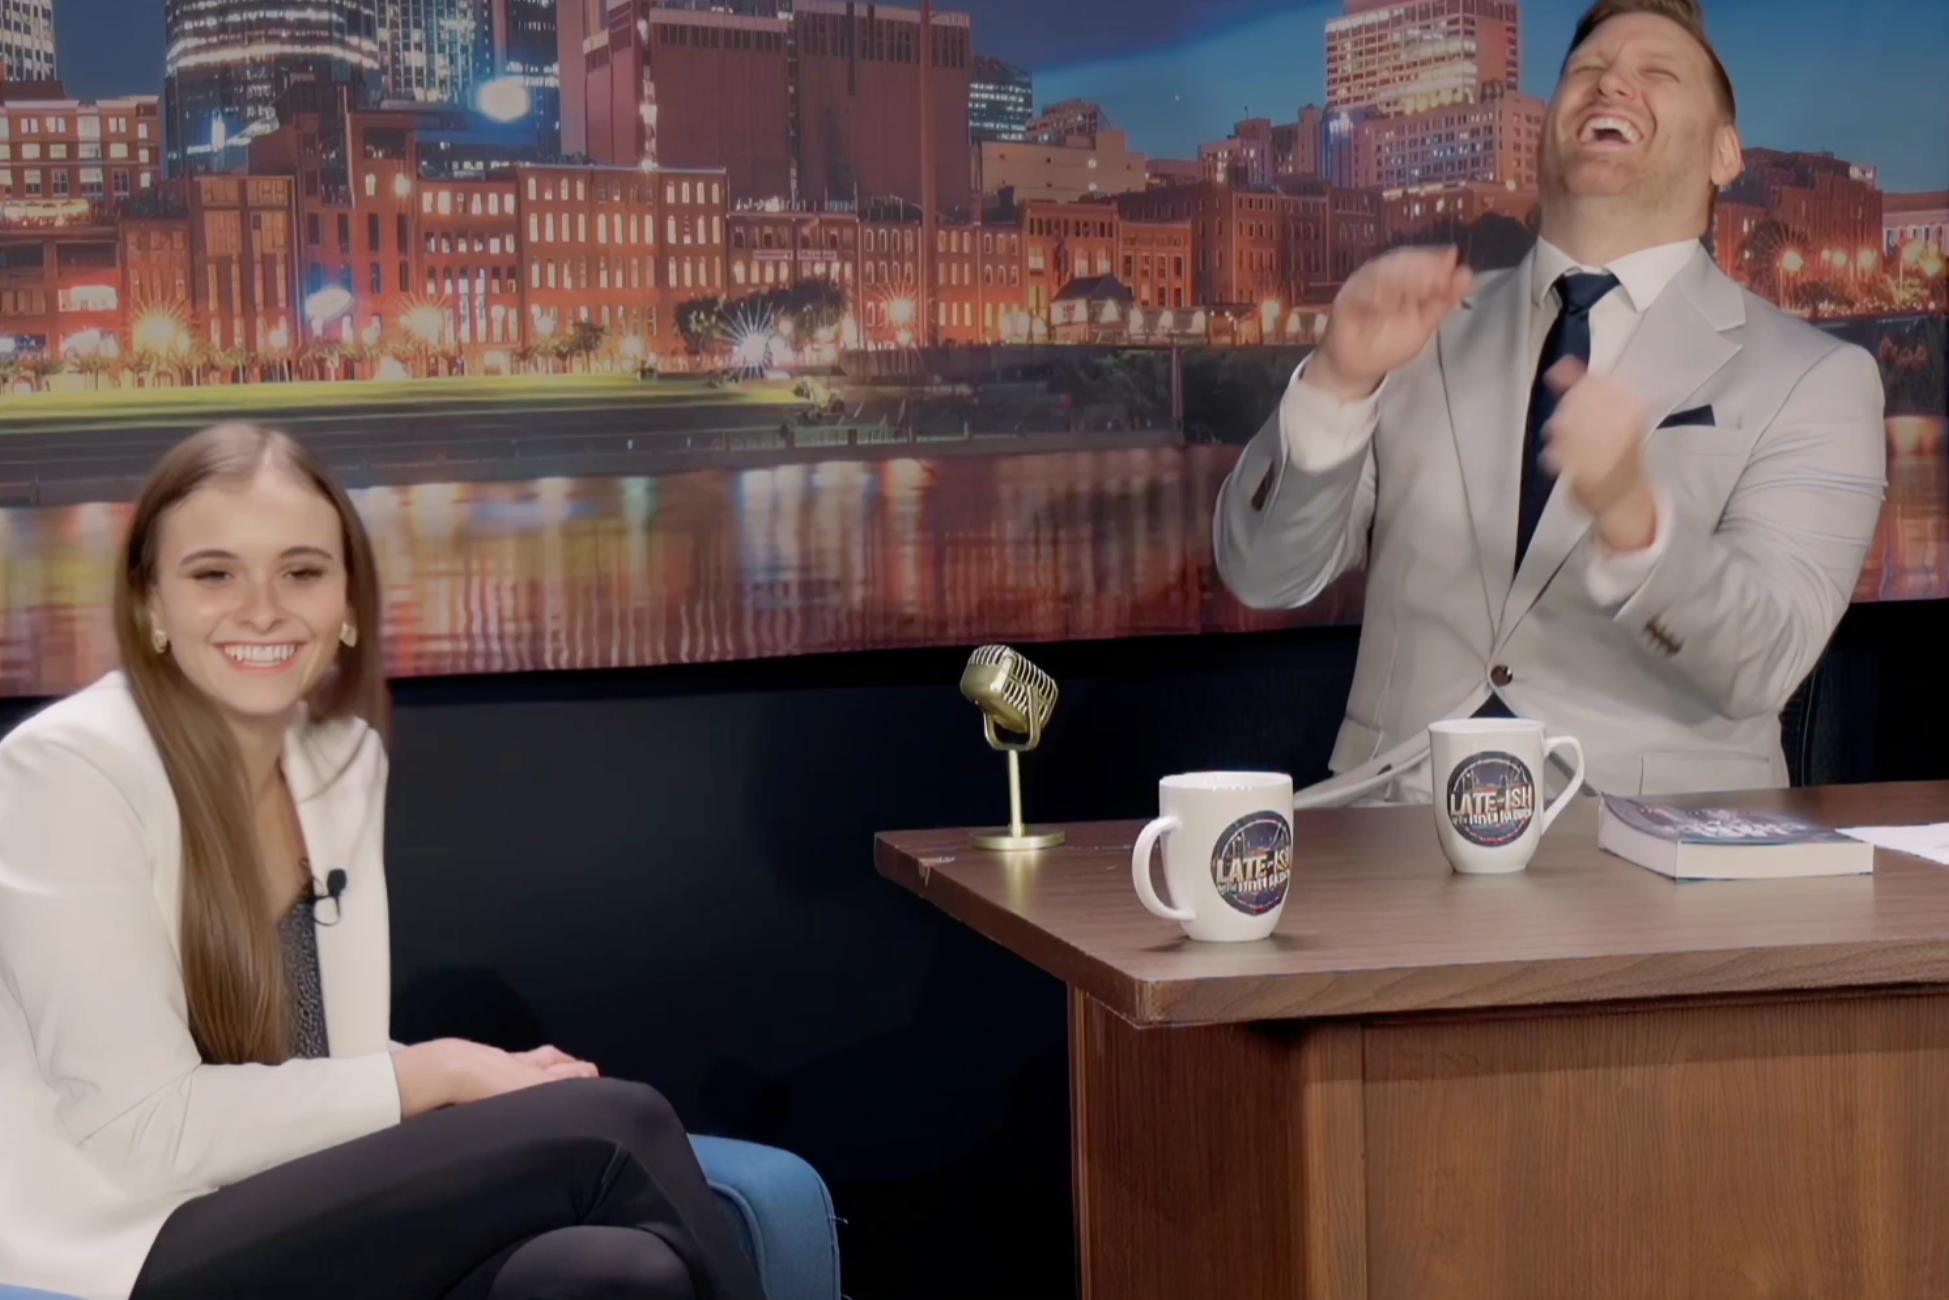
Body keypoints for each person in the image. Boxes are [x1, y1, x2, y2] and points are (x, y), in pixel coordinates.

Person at [0, 424, 764, 1300]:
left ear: (349, 604)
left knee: (616, 1272)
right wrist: (439, 1070)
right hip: (130, 1241)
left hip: (301, 1202)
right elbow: (143, 1129)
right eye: (214, 574)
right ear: (150, 608)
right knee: (620, 1120)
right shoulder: (65, 771)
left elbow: (333, 1058)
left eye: (302, 571)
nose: (262, 609)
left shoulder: (340, 759)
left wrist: (486, 1080)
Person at [1215, 0, 1887, 805]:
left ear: (1723, 152)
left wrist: (1635, 521)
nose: (1612, 87)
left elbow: (1765, 660)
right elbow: (1261, 576)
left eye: (1657, 74)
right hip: (1388, 844)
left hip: (1660, 856)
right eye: (1586, 72)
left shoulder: (1815, 378)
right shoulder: (1417, 331)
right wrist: (1334, 383)